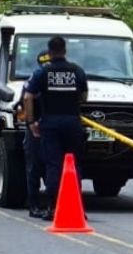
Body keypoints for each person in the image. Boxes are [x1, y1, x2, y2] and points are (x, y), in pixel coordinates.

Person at [24, 36, 88, 221]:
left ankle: (52, 207)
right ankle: (77, 208)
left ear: (50, 52)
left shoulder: (43, 72)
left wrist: (31, 122)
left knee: (54, 166)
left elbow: (28, 97)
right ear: (65, 50)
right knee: (74, 166)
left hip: (50, 125)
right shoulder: (77, 71)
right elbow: (84, 96)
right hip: (72, 123)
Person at [15, 50, 52, 219]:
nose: (47, 67)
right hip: (36, 129)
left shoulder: (59, 80)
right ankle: (34, 205)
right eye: (44, 64)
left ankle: (52, 205)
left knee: (52, 169)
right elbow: (24, 101)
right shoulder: (34, 80)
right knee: (34, 169)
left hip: (53, 129)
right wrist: (31, 123)